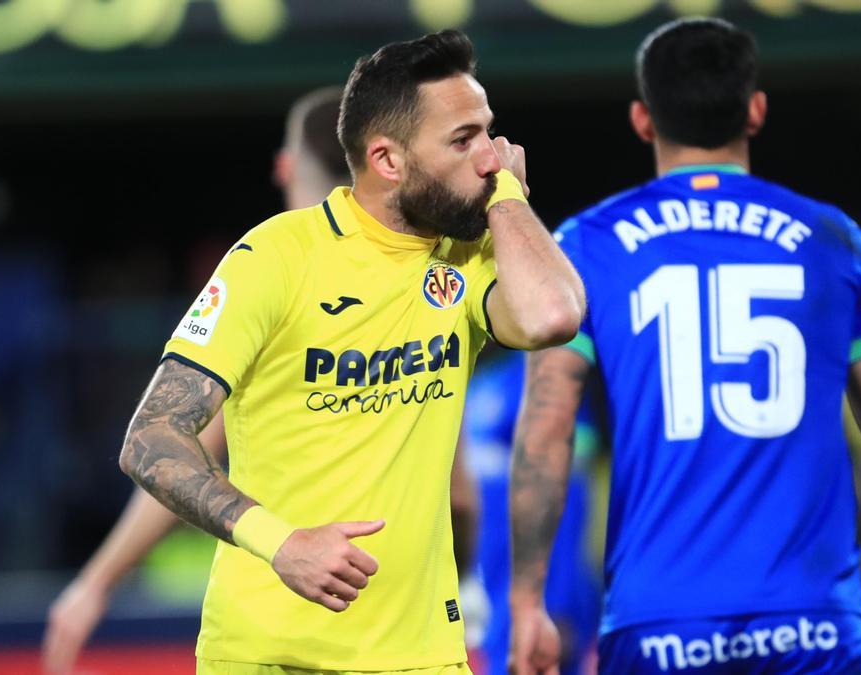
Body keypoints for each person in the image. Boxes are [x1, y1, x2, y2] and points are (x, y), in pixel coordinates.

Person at [117, 29, 584, 675]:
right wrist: (281, 543)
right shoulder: (274, 257)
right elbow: (150, 437)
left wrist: (506, 196)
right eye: (463, 139)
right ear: (388, 160)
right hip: (269, 652)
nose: (492, 156)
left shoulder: (471, 256)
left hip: (422, 655)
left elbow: (554, 316)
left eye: (489, 131)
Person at [508, 18, 861, 675]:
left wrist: (527, 600)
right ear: (755, 110)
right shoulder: (834, 240)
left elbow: (545, 431)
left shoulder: (587, 245)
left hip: (657, 623)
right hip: (812, 622)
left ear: (643, 120)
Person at [42, 86, 476, 673]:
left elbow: (172, 443)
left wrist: (97, 581)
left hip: (265, 635)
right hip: (404, 639)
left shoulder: (270, 265)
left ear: (286, 166)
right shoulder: (438, 266)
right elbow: (460, 493)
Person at [463, 346, 602, 675]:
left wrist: (559, 601)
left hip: (533, 581)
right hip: (488, 573)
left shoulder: (546, 371)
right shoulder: (473, 378)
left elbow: (570, 490)